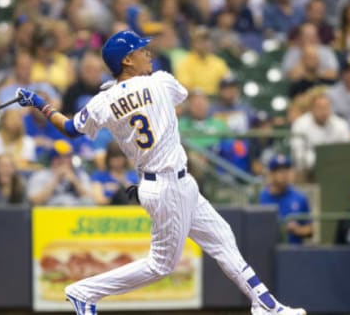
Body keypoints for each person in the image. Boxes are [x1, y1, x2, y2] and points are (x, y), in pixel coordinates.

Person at [16, 30, 306, 315]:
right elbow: (175, 98)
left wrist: (39, 102)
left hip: (169, 182)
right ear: (127, 60)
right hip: (167, 185)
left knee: (222, 239)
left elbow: (68, 128)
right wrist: (123, 90)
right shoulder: (161, 82)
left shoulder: (102, 101)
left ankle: (266, 304)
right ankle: (85, 291)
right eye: (141, 50)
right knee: (162, 265)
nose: (148, 53)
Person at [259, 155, 313, 244]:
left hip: (293, 253)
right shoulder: (262, 197)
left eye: (286, 170)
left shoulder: (300, 197)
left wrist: (297, 229)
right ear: (271, 174)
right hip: (268, 252)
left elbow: (310, 230)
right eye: (279, 171)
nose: (284, 174)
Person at [290, 93, 350, 172]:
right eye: (320, 108)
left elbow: (345, 152)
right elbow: (298, 155)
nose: (323, 111)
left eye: (326, 107)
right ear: (312, 108)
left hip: (336, 170)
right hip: (308, 171)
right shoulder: (300, 124)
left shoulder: (341, 125)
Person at [27, 140, 92, 206]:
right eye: (61, 157)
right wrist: (55, 180)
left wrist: (75, 181)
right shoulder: (41, 175)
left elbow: (91, 198)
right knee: (62, 202)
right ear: (53, 159)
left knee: (86, 201)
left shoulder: (79, 174)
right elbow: (35, 201)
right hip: (51, 212)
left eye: (68, 157)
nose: (65, 160)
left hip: (75, 211)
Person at [175, 26, 230, 96]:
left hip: (218, 100)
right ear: (193, 43)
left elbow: (227, 81)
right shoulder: (184, 63)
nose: (205, 44)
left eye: (207, 40)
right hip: (194, 100)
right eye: (200, 41)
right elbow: (184, 89)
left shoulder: (218, 62)